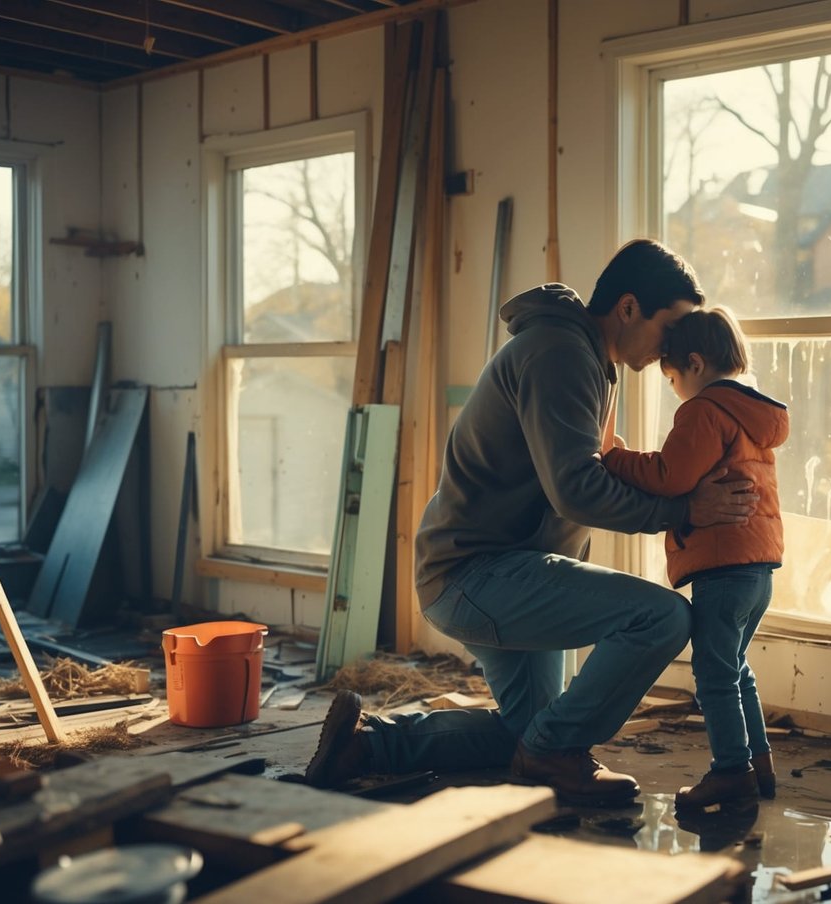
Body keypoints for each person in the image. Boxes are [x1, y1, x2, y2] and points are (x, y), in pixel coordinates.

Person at [304, 239, 757, 807]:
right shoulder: (561, 354)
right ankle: (555, 753)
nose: (677, 345)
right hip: (477, 574)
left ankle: (366, 748)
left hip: (502, 570)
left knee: (529, 733)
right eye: (671, 327)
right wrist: (684, 513)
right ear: (628, 307)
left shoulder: (593, 361)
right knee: (663, 618)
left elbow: (599, 468)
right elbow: (575, 491)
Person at [601, 307, 786, 811]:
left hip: (724, 566)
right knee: (734, 667)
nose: (674, 389)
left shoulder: (704, 410)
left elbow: (670, 476)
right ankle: (759, 762)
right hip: (758, 566)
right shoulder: (751, 415)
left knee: (713, 674)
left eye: (672, 378)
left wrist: (614, 457)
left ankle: (731, 772)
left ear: (696, 364)